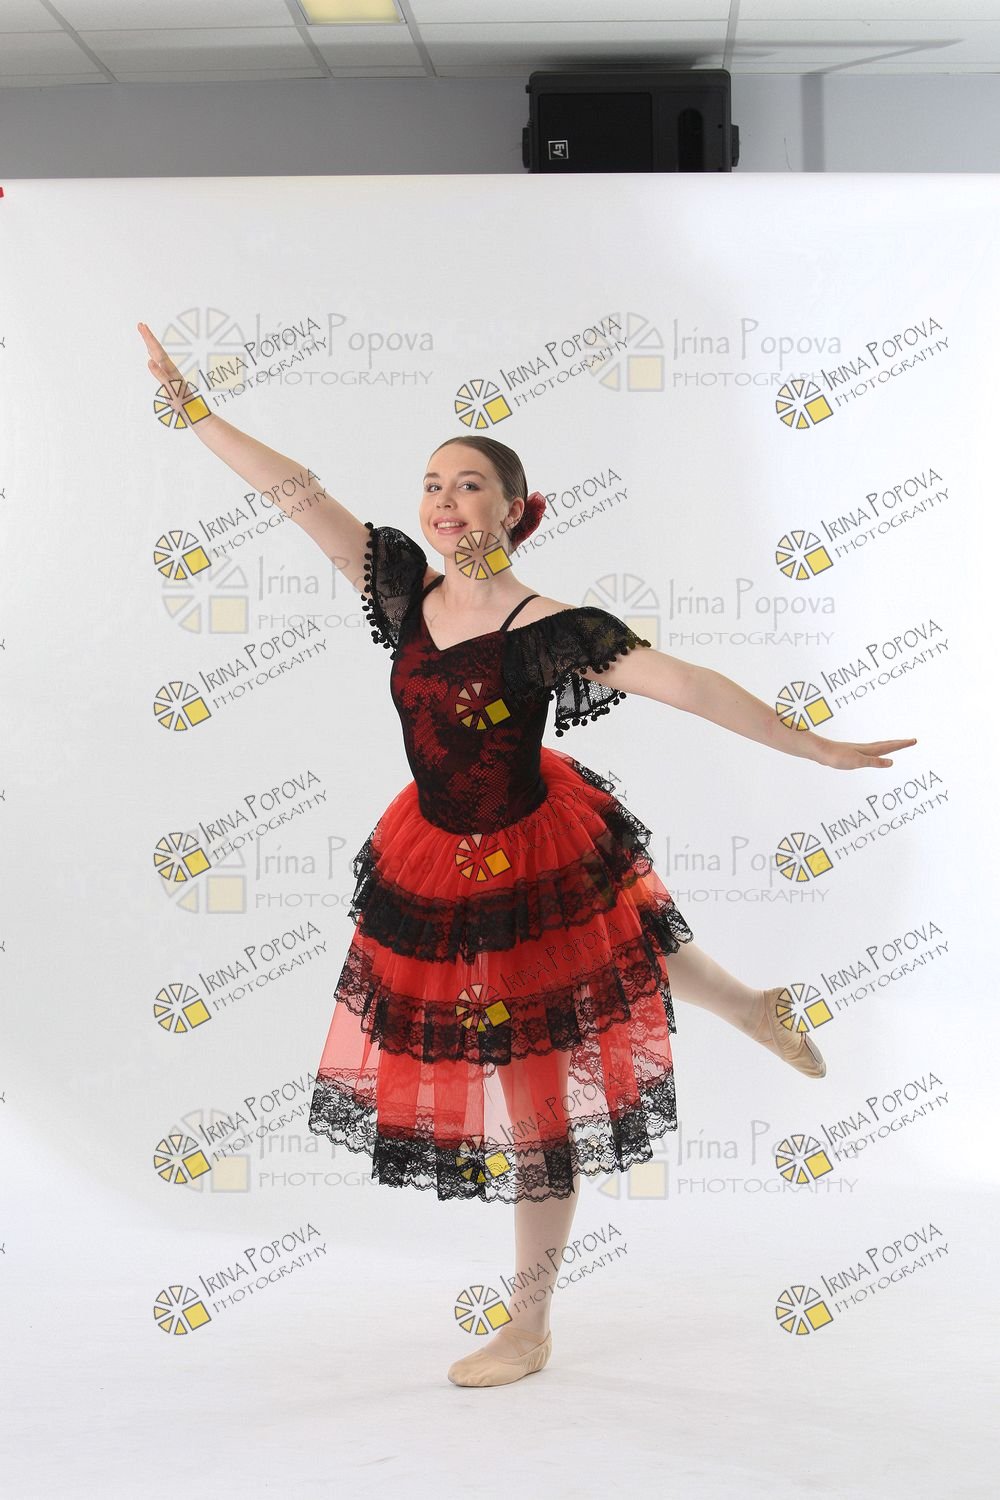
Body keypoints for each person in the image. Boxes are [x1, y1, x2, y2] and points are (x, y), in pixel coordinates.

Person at [139, 322, 918, 1389]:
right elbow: (299, 495)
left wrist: (812, 745)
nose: (445, 500)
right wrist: (197, 414)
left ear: (513, 508)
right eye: (432, 485)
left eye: (470, 485)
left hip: (525, 846)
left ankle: (530, 1325)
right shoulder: (402, 591)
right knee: (621, 941)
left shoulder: (550, 626)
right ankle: (751, 1006)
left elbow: (687, 684)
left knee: (535, 1092)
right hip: (431, 847)